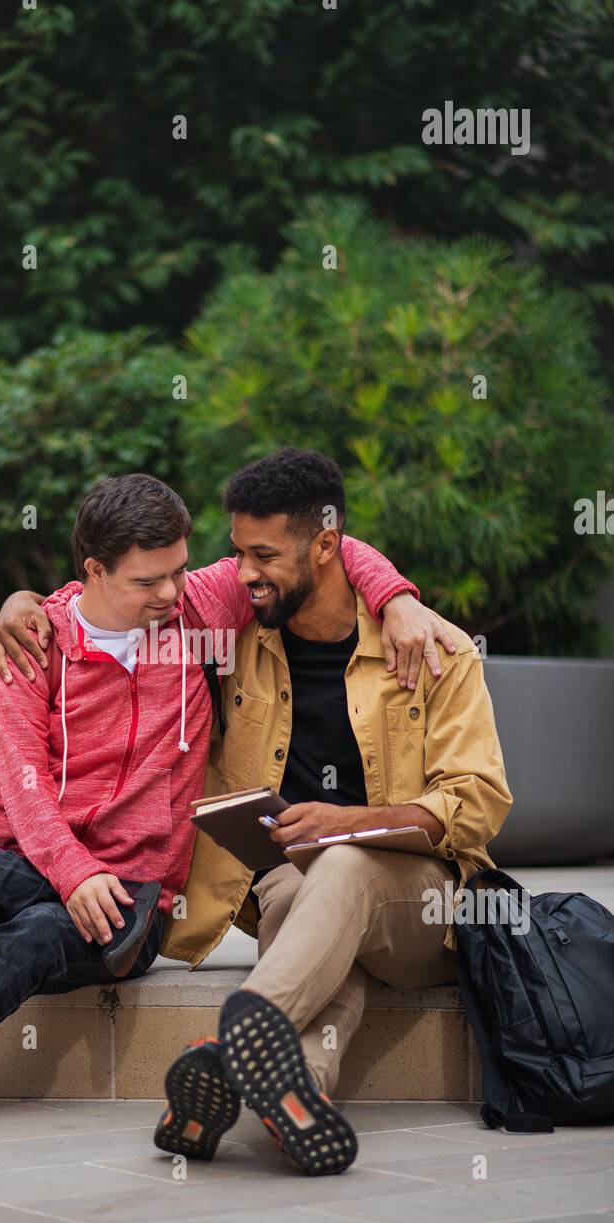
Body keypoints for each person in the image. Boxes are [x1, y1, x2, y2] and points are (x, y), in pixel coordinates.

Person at [0, 471, 441, 1140]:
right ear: (94, 570)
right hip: (28, 877)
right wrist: (74, 876)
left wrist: (397, 599)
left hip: (133, 911)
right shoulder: (33, 642)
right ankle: (59, 909)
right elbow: (23, 784)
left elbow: (324, 543)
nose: (170, 593)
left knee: (41, 933)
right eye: (146, 581)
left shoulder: (197, 614)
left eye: (178, 571)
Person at [152, 449, 512, 1176]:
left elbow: (477, 806)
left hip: (427, 908)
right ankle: (299, 1096)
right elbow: (117, 599)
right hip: (299, 885)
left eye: (264, 555)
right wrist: (29, 606)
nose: (245, 572)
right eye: (237, 552)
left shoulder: (433, 649)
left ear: (324, 546)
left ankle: (233, 1045)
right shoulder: (237, 643)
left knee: (340, 866)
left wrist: (342, 823)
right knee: (290, 894)